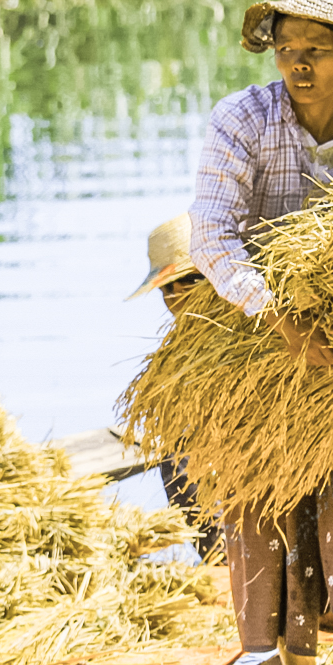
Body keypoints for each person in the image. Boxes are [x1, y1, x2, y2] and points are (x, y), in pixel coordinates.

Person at [189, 0, 333, 665]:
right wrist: (278, 316)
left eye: (316, 48)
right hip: (255, 342)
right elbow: (213, 238)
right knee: (271, 507)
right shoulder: (242, 121)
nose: (299, 65)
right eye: (286, 49)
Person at [126, 212, 219, 558]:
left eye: (191, 280)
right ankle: (217, 557)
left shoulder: (261, 328)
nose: (177, 297)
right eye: (168, 288)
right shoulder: (176, 359)